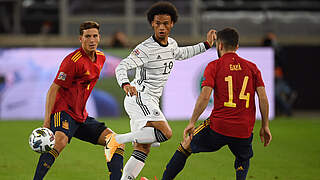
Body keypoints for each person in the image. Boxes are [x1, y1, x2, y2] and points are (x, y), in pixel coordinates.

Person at [104, 2, 216, 180]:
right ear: (152, 24)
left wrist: (206, 45)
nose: (162, 27)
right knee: (166, 132)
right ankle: (116, 139)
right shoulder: (145, 49)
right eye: (158, 23)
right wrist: (126, 84)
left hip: (150, 100)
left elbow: (181, 53)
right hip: (139, 97)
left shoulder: (171, 44)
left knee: (143, 147)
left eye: (166, 23)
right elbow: (122, 66)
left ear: (172, 24)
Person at [161, 28, 272, 180]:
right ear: (237, 47)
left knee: (186, 145)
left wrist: (192, 122)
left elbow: (205, 96)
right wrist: (265, 125)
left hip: (219, 127)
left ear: (219, 46)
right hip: (244, 128)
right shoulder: (252, 67)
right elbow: (263, 98)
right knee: (243, 157)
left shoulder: (215, 66)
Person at [32, 21, 124, 180]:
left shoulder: (101, 58)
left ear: (99, 38)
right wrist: (47, 121)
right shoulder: (72, 61)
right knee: (59, 141)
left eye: (95, 36)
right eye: (87, 36)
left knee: (116, 142)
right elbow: (53, 89)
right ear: (80, 39)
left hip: (81, 116)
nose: (92, 40)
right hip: (64, 112)